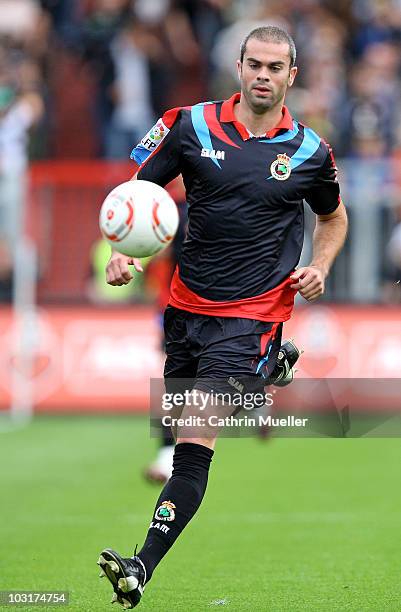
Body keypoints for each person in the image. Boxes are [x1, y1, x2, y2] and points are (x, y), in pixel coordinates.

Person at [97, 25, 348, 609]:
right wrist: (120, 248)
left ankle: (141, 565)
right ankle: (270, 370)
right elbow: (137, 189)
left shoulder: (311, 151)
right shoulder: (189, 125)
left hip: (253, 313)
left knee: (193, 441)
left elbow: (334, 218)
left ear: (293, 75)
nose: (263, 76)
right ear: (239, 66)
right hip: (187, 309)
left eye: (274, 67)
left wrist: (322, 265)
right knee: (178, 424)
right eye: (254, 65)